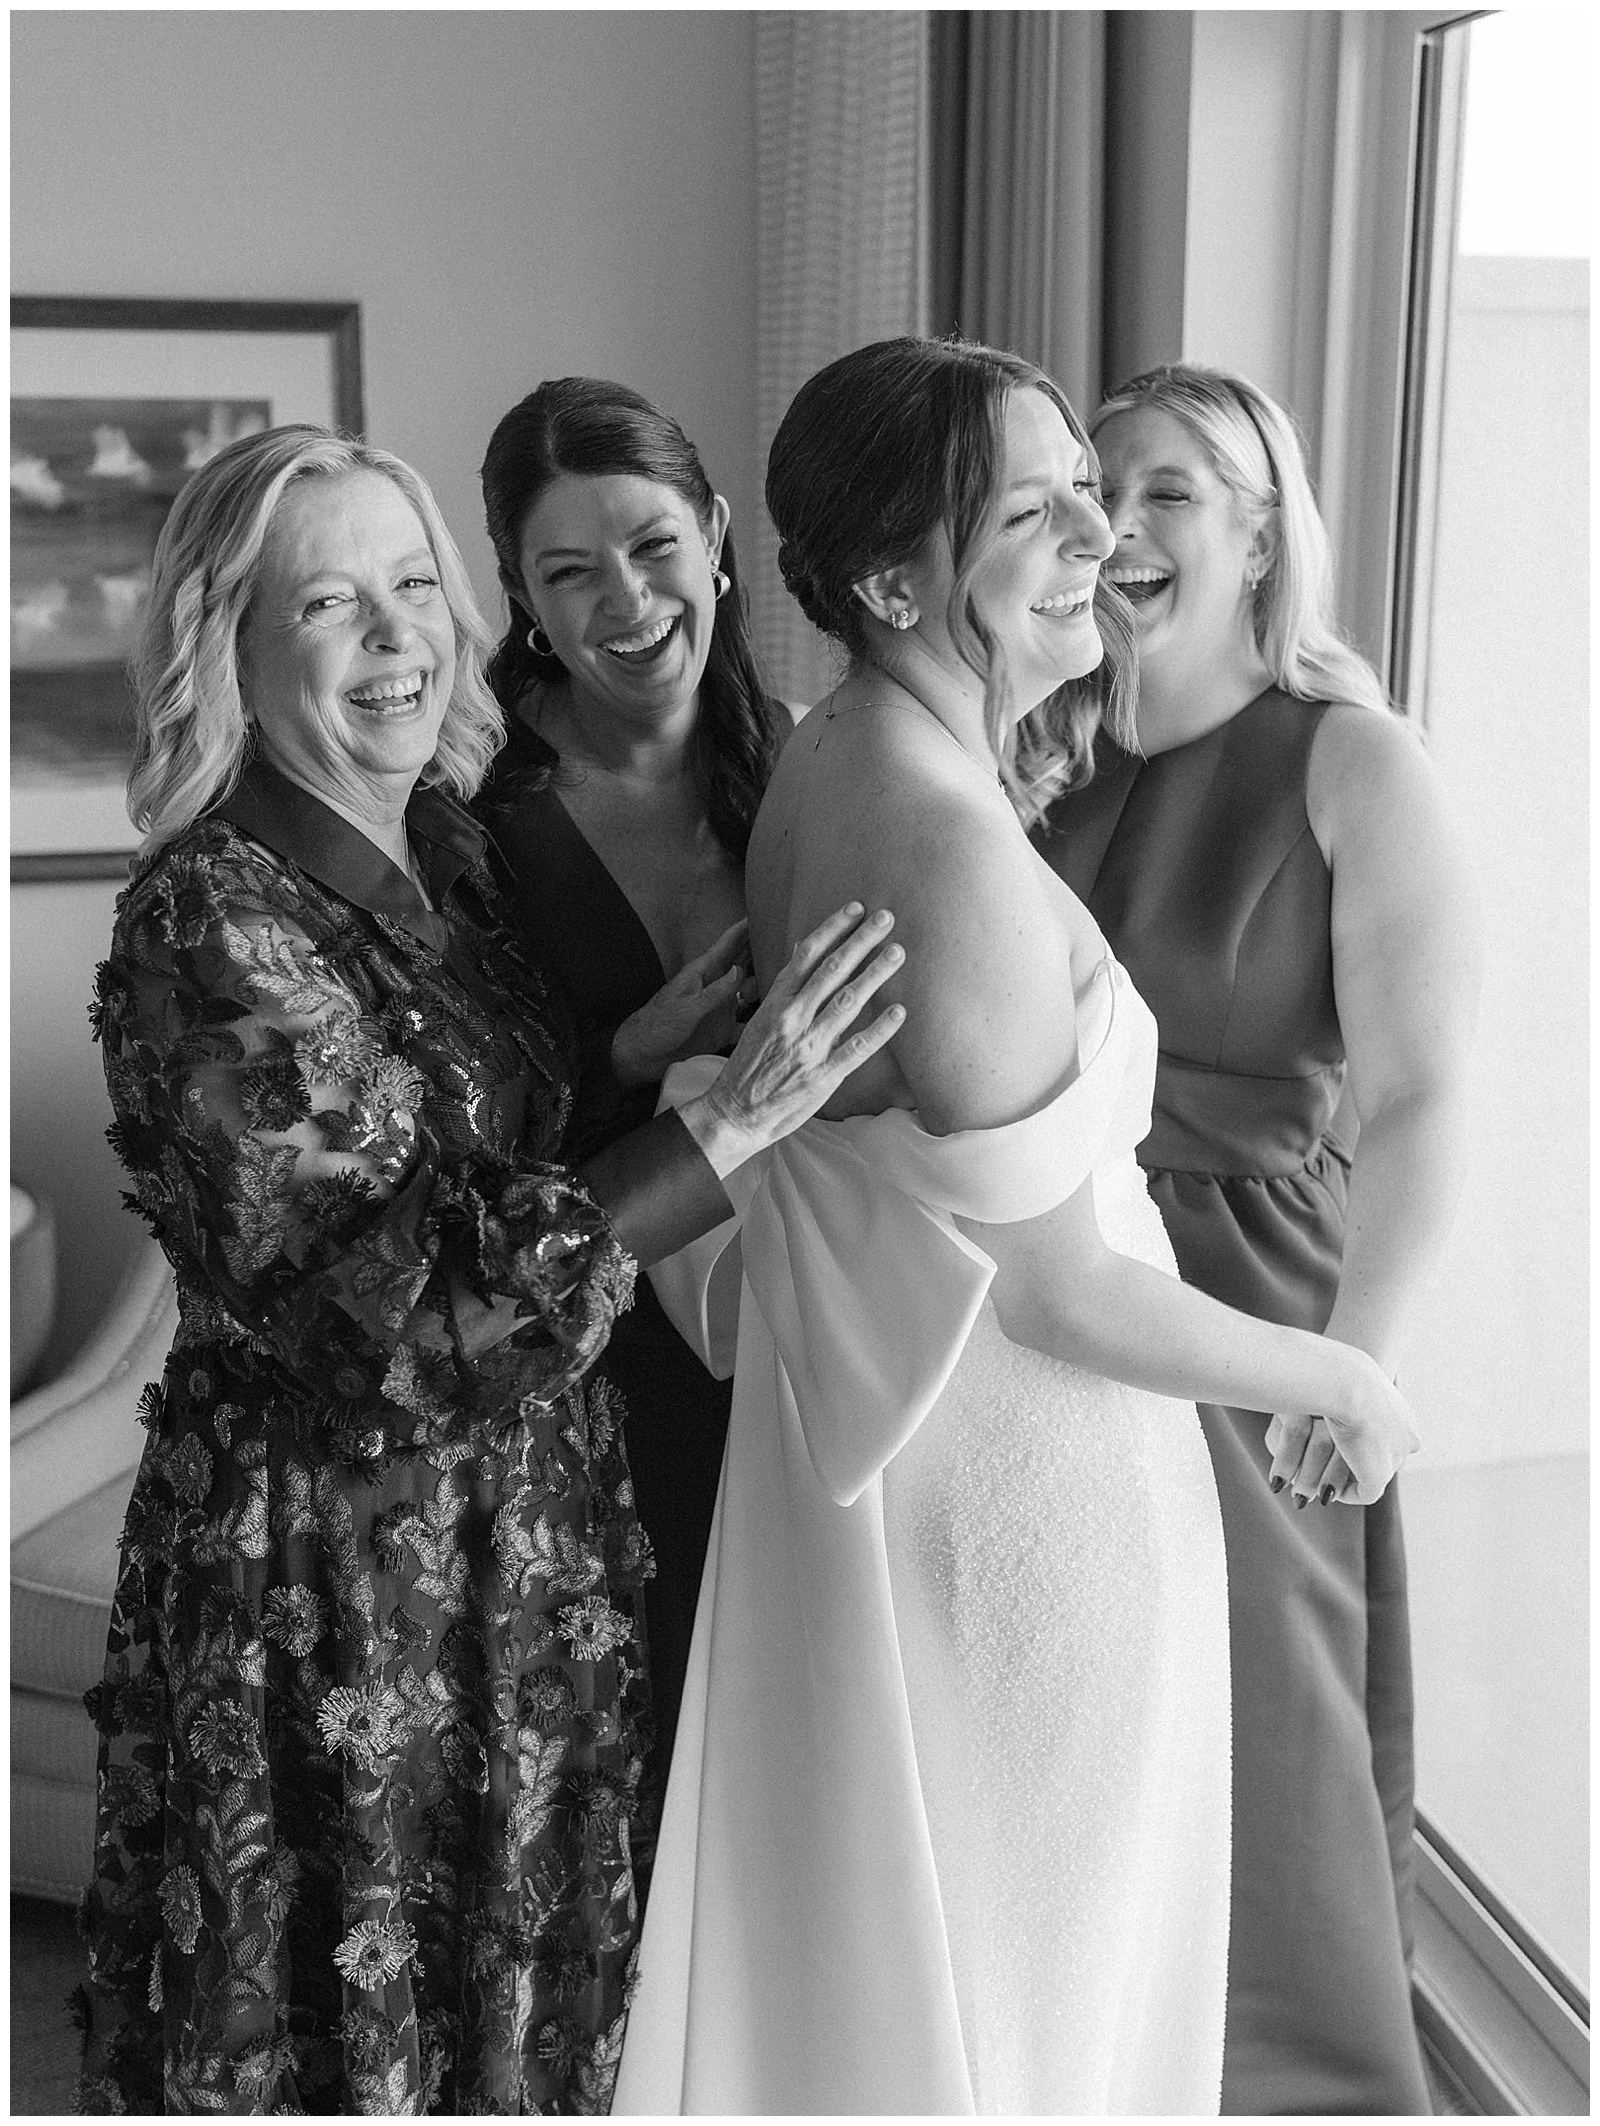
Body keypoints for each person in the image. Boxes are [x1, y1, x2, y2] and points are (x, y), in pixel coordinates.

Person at [610, 337, 1420, 2118]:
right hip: (1027, 1488)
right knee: (1049, 1982)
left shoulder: (840, 758)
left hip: (941, 1464)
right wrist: (1339, 1372)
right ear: (896, 580)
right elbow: (1057, 1288)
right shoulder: (942, 842)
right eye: (1037, 509)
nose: (1093, 541)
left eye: (1095, 492)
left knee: (998, 1969)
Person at [73, 423, 904, 2115]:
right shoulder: (206, 920)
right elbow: (412, 1324)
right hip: (340, 1587)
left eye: (409, 587)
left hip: (522, 1557)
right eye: (327, 606)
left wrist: (620, 1056)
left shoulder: (446, 842)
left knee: (524, 2019)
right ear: (226, 642)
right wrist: (724, 1128)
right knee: (356, 2031)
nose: (394, 638)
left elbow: (468, 1157)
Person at [1033, 362, 1481, 2115]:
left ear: (1256, 533)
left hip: (1263, 1302)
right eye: (1092, 492)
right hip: (1068, 1297)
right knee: (1094, 1733)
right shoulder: (1035, 753)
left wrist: (1353, 1366)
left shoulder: (1350, 762)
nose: (1118, 528)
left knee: (1267, 1753)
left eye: (1168, 494)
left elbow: (1429, 1096)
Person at [473, 379, 788, 1787]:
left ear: (718, 534)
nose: (627, 600)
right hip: (606, 1370)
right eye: (570, 572)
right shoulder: (480, 817)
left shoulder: (803, 757)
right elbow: (458, 1141)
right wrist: (621, 1059)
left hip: (805, 1316)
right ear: (523, 603)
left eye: (655, 546)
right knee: (658, 1746)